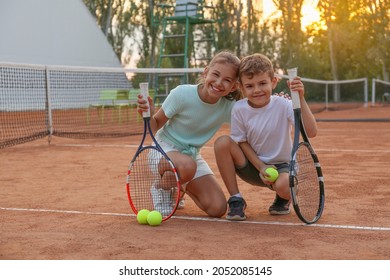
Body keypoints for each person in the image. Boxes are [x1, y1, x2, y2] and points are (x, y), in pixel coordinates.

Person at [137, 50, 241, 217]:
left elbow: (256, 113)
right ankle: (161, 187)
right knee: (187, 166)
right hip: (163, 150)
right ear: (206, 72)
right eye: (215, 74)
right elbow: (155, 125)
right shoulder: (182, 94)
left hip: (191, 156)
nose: (219, 83)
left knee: (217, 208)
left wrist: (280, 100)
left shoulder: (230, 106)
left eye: (227, 80)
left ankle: (177, 189)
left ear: (234, 86)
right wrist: (147, 113)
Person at [214, 53, 318, 221]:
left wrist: (300, 99)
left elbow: (311, 132)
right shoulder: (239, 109)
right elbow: (242, 142)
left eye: (262, 83)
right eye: (250, 86)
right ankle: (236, 199)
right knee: (222, 143)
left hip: (282, 166)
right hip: (252, 165)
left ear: (274, 82)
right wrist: (261, 166)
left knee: (285, 186)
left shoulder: (284, 104)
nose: (257, 90)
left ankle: (283, 197)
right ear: (241, 87)